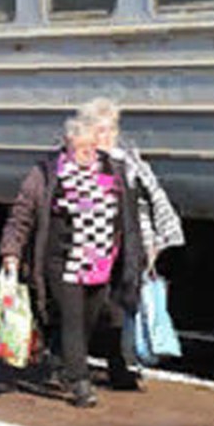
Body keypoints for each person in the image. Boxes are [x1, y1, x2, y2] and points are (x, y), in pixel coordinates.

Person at [0, 114, 143, 408]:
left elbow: (129, 218)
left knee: (90, 317)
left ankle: (64, 361)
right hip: (61, 260)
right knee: (72, 318)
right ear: (67, 146)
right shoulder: (47, 173)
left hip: (100, 262)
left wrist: (135, 253)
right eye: (80, 149)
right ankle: (80, 382)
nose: (87, 155)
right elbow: (22, 214)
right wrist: (11, 252)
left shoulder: (113, 170)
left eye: (91, 147)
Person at [79, 96, 185, 388]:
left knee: (120, 305)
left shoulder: (130, 162)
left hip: (129, 246)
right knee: (86, 306)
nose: (107, 136)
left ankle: (118, 366)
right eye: (101, 130)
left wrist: (159, 241)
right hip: (89, 246)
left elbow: (155, 198)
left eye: (111, 129)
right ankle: (65, 359)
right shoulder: (77, 162)